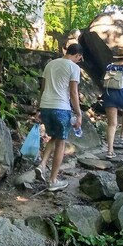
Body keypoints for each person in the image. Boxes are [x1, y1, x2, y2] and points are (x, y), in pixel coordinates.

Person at [37, 42, 84, 191]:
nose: (79, 61)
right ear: (77, 55)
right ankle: (53, 181)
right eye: (79, 58)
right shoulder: (74, 67)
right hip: (61, 109)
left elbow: (43, 88)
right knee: (61, 143)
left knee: (54, 137)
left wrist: (39, 109)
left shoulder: (50, 64)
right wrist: (78, 113)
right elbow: (73, 92)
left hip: (45, 106)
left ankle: (42, 164)